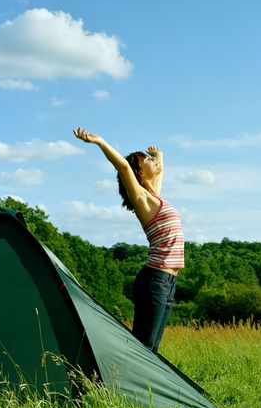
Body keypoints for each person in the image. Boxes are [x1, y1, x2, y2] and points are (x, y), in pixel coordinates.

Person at [73, 128, 184, 354]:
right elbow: (124, 167)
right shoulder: (142, 200)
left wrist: (159, 156)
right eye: (148, 161)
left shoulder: (155, 197)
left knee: (151, 348)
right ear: (139, 173)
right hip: (155, 280)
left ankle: (137, 388)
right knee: (143, 348)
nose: (153, 162)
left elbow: (159, 173)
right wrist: (100, 142)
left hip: (168, 283)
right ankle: (118, 384)